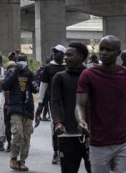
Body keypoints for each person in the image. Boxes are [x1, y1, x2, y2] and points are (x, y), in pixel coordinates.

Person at [75, 35, 126, 173]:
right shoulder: (88, 75)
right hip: (98, 142)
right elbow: (80, 104)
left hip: (122, 140)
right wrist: (81, 120)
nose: (104, 52)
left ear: (118, 52)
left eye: (109, 50)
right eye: (102, 49)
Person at [50, 42, 91, 173]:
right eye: (65, 55)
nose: (65, 57)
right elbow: (55, 103)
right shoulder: (59, 77)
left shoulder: (91, 76)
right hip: (67, 135)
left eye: (69, 54)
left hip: (91, 136)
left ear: (80, 57)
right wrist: (57, 123)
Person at [2, 52, 38, 171]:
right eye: (20, 61)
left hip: (27, 108)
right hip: (15, 108)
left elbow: (36, 89)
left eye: (24, 61)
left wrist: (30, 76)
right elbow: (5, 86)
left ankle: (22, 161)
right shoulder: (11, 73)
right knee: (18, 134)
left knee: (26, 136)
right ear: (16, 62)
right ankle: (13, 158)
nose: (22, 63)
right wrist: (15, 73)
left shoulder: (30, 74)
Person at [37, 44, 67, 165]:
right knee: (56, 126)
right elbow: (43, 85)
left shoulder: (68, 66)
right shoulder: (49, 67)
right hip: (53, 101)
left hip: (68, 102)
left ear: (63, 54)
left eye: (58, 52)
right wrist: (40, 102)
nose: (55, 54)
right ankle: (56, 151)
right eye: (54, 52)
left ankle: (66, 151)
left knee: (68, 127)